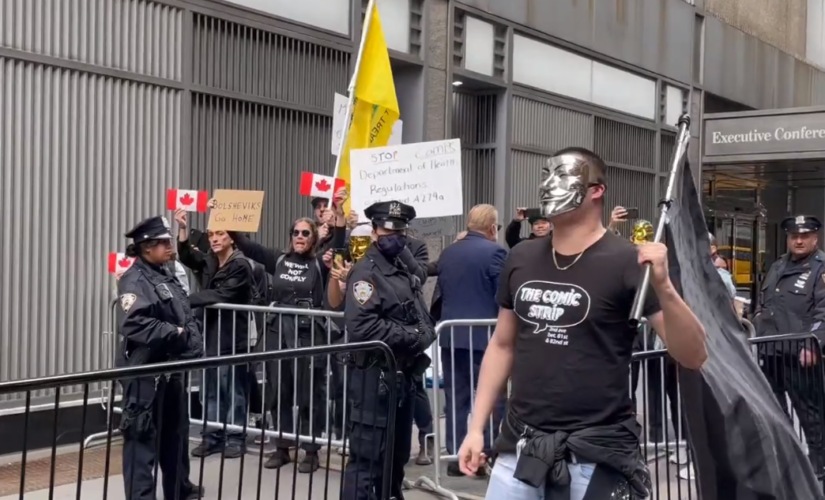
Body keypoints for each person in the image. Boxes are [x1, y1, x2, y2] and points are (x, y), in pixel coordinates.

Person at [458, 147, 707, 499]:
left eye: (562, 176)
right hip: (520, 449)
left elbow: (694, 354)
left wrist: (664, 287)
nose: (548, 185)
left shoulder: (628, 261)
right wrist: (476, 427)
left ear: (596, 190)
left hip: (597, 455)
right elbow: (503, 344)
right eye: (546, 175)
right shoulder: (521, 256)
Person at [233, 207, 346, 472]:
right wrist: (226, 220)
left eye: (305, 233)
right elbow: (247, 245)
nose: (300, 236)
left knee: (310, 393)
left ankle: (311, 451)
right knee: (278, 391)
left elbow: (339, 243)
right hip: (277, 333)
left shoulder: (319, 262)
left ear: (314, 238)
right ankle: (282, 447)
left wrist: (339, 217)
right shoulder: (278, 259)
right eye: (295, 233)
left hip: (309, 334)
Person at [342, 200, 437, 500]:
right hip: (374, 378)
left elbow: (419, 313)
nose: (395, 235)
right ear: (374, 231)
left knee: (396, 458)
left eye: (401, 230)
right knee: (367, 458)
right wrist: (410, 336)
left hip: (402, 378)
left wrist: (423, 332)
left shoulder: (401, 269)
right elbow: (362, 327)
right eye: (387, 229)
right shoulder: (366, 273)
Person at [116, 216, 204, 500]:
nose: (170, 247)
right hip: (146, 375)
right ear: (146, 247)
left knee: (175, 435)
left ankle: (179, 489)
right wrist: (174, 332)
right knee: (142, 441)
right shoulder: (135, 279)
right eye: (164, 243)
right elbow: (133, 323)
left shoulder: (163, 274)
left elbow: (182, 309)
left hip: (170, 370)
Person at [430, 204, 507, 476]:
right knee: (489, 397)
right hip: (486, 338)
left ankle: (455, 455)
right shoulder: (496, 252)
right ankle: (482, 455)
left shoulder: (449, 253)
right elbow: (503, 297)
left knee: (455, 398)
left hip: (451, 336)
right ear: (491, 228)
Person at [174, 209, 254, 459]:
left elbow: (222, 295)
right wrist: (183, 229)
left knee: (233, 389)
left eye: (220, 234)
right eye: (210, 234)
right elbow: (187, 256)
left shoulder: (240, 264)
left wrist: (186, 300)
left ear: (232, 237)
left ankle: (234, 437)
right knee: (210, 387)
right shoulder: (210, 259)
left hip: (232, 336)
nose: (214, 239)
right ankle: (212, 436)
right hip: (210, 334)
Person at [754, 214, 825, 473]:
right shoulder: (778, 265)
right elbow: (765, 303)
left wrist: (812, 344)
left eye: (804, 236)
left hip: (800, 355)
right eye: (794, 236)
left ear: (815, 238)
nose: (798, 240)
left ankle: (820, 471)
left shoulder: (820, 267)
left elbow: (824, 312)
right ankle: (789, 465)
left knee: (811, 417)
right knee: (774, 412)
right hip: (770, 351)